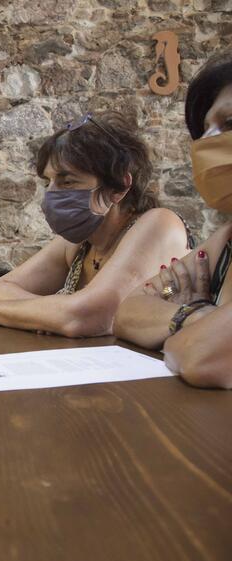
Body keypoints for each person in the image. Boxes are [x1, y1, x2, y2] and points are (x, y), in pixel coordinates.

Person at [0, 110, 193, 337]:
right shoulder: (79, 242)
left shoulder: (159, 224)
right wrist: (51, 315)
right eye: (49, 182)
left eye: (67, 183)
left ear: (118, 187)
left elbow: (92, 316)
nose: (51, 194)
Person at [114, 53, 232, 388]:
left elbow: (201, 357)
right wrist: (191, 312)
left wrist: (181, 324)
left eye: (230, 124)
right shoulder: (225, 243)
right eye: (203, 131)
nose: (207, 142)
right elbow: (130, 309)